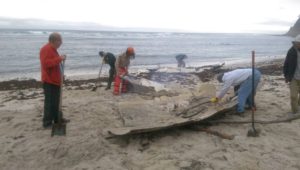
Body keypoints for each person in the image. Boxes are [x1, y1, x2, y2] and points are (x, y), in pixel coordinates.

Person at [39, 32, 67, 128]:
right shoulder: (46, 49)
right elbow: (46, 64)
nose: (61, 43)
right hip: (49, 81)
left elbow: (55, 64)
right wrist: (59, 59)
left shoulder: (53, 49)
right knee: (50, 102)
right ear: (54, 41)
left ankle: (57, 119)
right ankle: (47, 123)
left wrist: (60, 59)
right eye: (60, 41)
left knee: (57, 101)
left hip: (55, 80)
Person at [283, 34, 300, 116]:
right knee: (293, 96)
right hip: (293, 77)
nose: (297, 45)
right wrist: (286, 76)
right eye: (296, 43)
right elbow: (286, 64)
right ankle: (295, 112)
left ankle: (298, 107)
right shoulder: (291, 51)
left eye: (298, 43)